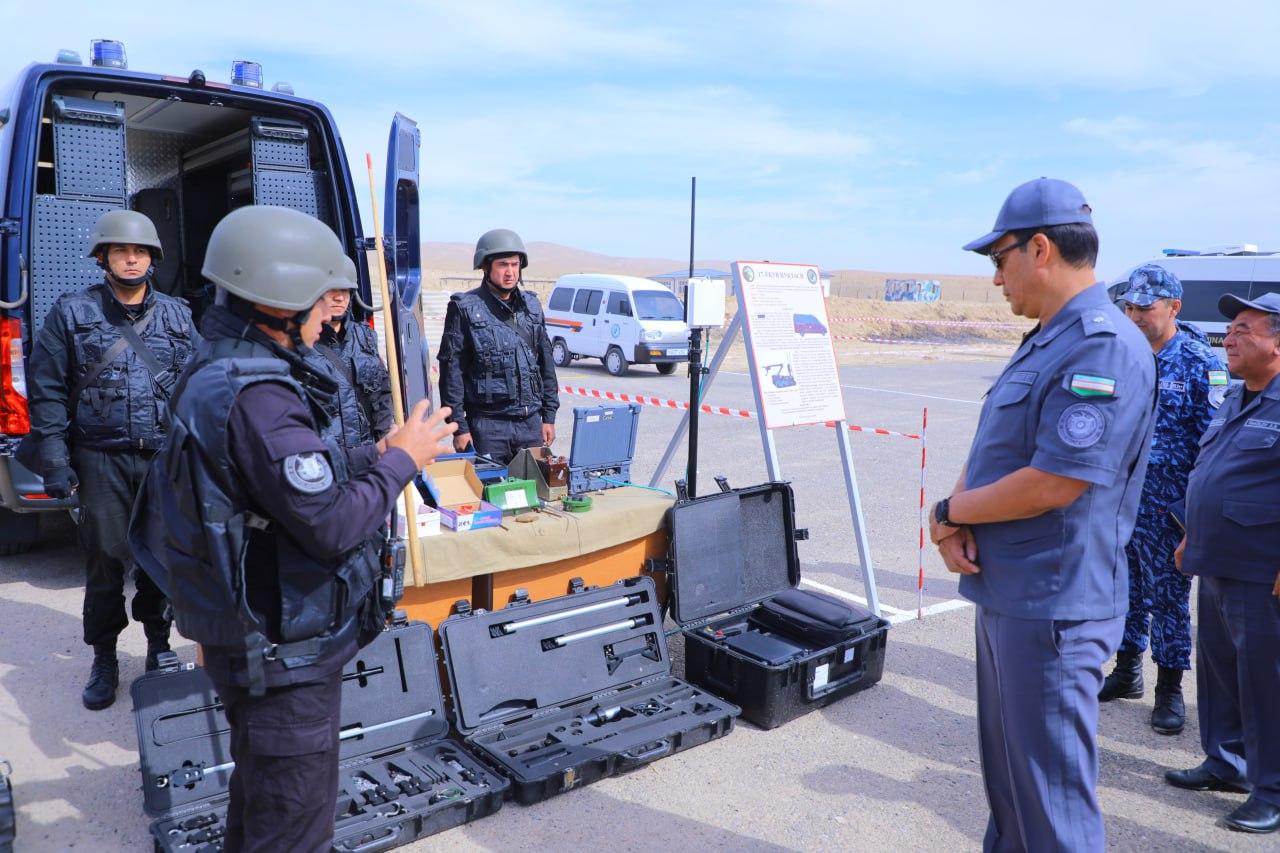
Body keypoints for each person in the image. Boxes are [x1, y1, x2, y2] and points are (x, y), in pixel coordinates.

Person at [129, 205, 455, 852]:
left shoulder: (222, 364)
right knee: (294, 826)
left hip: (254, 640)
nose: (328, 314)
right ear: (280, 301)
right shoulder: (261, 395)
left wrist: (375, 451)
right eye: (319, 299)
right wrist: (402, 462)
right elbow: (332, 523)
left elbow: (280, 482)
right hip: (283, 657)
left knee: (260, 806)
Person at [930, 178, 1157, 851]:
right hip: (1014, 594)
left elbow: (1057, 479)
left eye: (999, 260)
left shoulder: (1101, 343)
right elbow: (1001, 445)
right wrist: (956, 512)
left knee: (1052, 807)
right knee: (1014, 794)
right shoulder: (1048, 339)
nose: (997, 279)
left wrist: (948, 510)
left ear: (1040, 248)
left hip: (1054, 607)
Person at [25, 209, 197, 710]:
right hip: (100, 459)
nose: (130, 258)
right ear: (103, 256)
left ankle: (159, 648)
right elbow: (48, 391)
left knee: (161, 559)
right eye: (120, 250)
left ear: (152, 259)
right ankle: (104, 656)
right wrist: (57, 461)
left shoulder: (179, 315)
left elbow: (202, 388)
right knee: (105, 562)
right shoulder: (72, 313)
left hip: (164, 460)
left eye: (140, 250)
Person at [1165, 292, 1280, 835]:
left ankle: (1272, 789)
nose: (1228, 338)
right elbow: (1211, 470)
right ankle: (1226, 763)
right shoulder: (1237, 397)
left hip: (1263, 571)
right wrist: (1194, 536)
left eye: (1244, 330)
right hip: (1216, 558)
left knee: (1265, 680)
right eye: (1230, 328)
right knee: (1218, 671)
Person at [1098, 265, 1226, 735]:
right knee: (1126, 588)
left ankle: (1169, 689)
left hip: (1170, 508)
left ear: (1174, 307)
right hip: (1122, 501)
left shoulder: (1199, 362)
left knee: (1169, 599)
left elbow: (1212, 445)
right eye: (1129, 306)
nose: (1134, 316)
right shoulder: (1123, 355)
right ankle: (1126, 670)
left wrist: (1194, 516)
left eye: (1144, 308)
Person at [437, 228, 559, 465]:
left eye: (515, 265)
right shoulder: (464, 308)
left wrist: (548, 416)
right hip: (489, 427)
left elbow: (546, 364)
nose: (510, 272)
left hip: (530, 425)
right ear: (485, 266)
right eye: (503, 265)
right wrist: (459, 429)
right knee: (490, 496)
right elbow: (452, 373)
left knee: (535, 496)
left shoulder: (532, 307)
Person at [305, 281, 393, 449]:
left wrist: (384, 437)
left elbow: (382, 392)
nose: (339, 298)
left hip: (367, 451)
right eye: (332, 291)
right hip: (327, 454)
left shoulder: (365, 336)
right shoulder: (302, 341)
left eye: (344, 291)